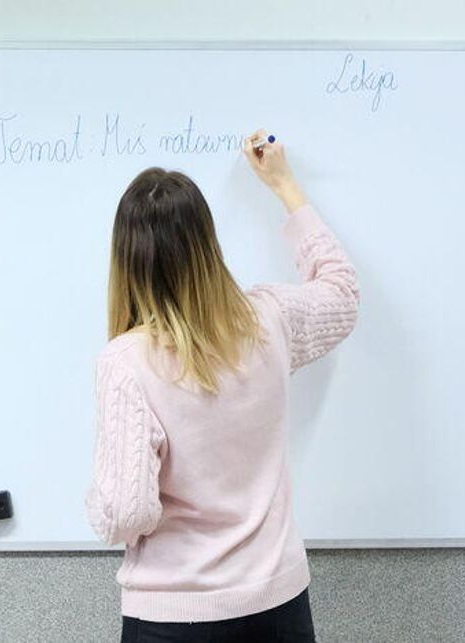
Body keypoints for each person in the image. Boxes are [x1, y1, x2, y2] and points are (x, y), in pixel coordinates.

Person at [85, 129, 359, 642]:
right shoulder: (268, 321)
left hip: (174, 618)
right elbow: (342, 293)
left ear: (126, 260)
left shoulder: (126, 362)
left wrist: (97, 503)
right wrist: (285, 185)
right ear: (207, 245)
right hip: (278, 608)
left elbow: (126, 513)